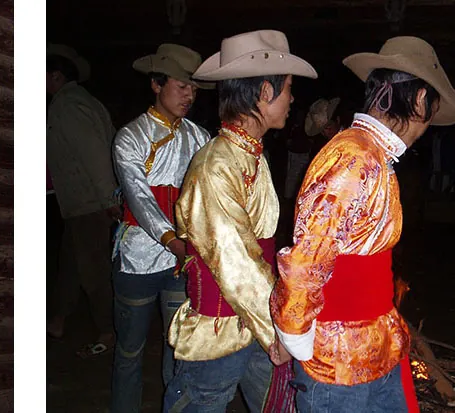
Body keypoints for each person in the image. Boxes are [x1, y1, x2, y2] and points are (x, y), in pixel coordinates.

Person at [271, 36, 455, 412]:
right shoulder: (354, 158)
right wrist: (295, 336)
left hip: (373, 346)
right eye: (431, 111)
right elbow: (307, 260)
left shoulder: (372, 154)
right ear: (421, 101)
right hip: (338, 361)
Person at [164, 29, 317, 413]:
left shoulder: (250, 154)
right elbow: (235, 260)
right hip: (218, 334)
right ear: (265, 92)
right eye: (288, 89)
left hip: (253, 321)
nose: (292, 99)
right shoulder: (216, 166)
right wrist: (278, 328)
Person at [110, 43, 211, 413]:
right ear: (156, 84)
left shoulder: (200, 138)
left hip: (179, 262)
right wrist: (174, 241)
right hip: (138, 257)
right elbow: (139, 199)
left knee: (178, 347)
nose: (190, 95)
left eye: (194, 89)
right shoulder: (129, 137)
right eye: (182, 85)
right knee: (130, 349)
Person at [45, 44, 120, 357]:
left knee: (94, 272)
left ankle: (109, 332)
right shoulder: (80, 102)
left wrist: (107, 198)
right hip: (80, 203)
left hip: (90, 203)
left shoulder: (69, 106)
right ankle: (57, 321)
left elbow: (95, 154)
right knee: (71, 265)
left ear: (56, 76)